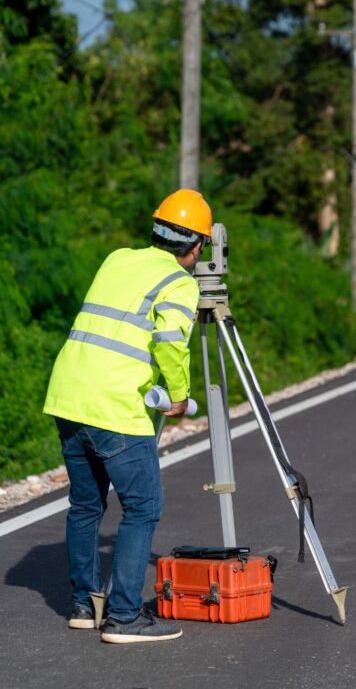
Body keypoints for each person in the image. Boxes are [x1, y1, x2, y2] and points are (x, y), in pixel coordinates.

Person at [43, 189, 212, 644]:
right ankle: (122, 616)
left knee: (86, 504)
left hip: (68, 396)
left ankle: (85, 604)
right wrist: (179, 396)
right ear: (196, 246)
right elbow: (171, 343)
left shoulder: (117, 258)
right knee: (143, 506)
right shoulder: (180, 283)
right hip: (116, 406)